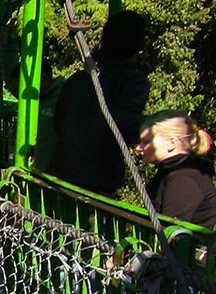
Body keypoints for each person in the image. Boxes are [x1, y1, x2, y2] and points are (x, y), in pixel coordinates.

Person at [46, 10, 150, 197]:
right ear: (140, 45)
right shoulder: (133, 81)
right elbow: (123, 124)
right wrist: (157, 126)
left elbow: (59, 121)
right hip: (96, 183)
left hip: (61, 176)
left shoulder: (78, 79)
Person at [136, 110, 216, 229]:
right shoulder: (172, 173)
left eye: (146, 142)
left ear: (171, 143)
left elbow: (172, 234)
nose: (139, 147)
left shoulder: (183, 180)